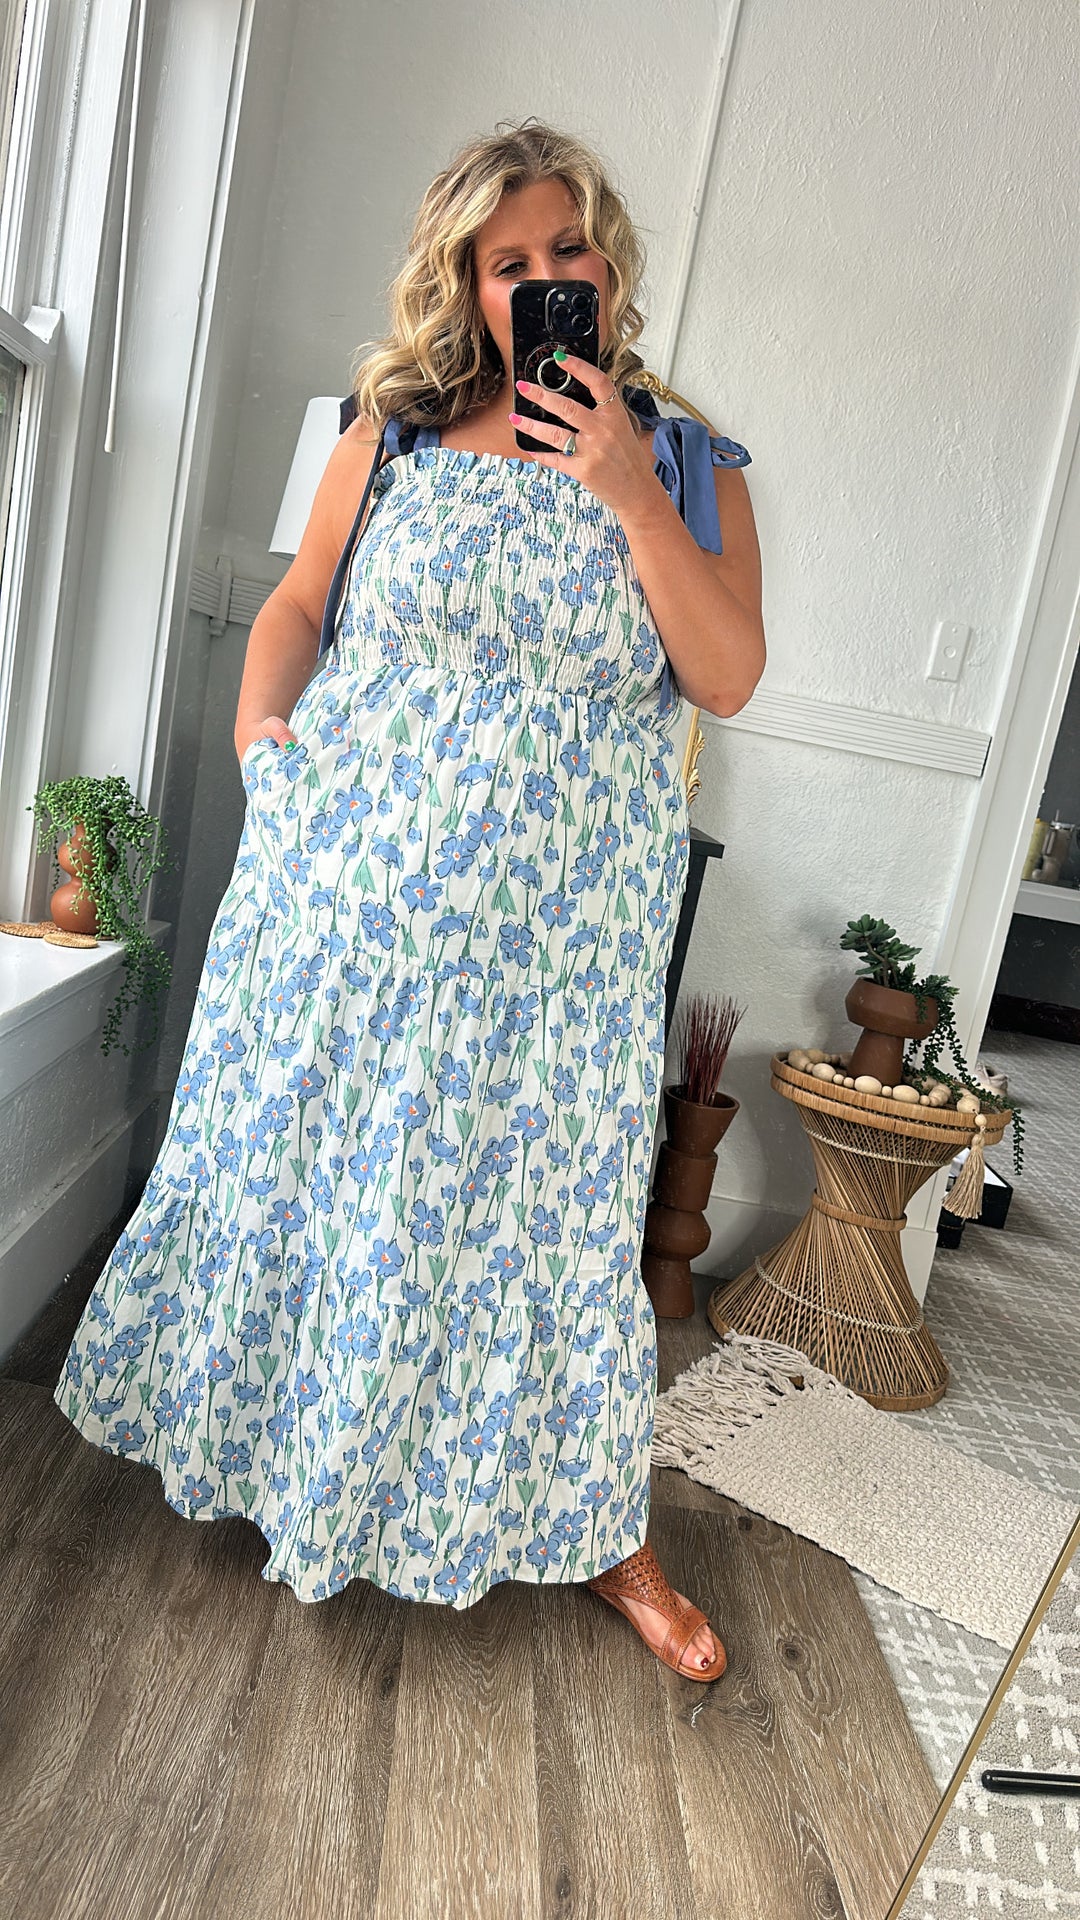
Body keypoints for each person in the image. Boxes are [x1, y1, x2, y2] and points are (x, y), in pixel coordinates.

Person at [53, 120, 764, 1682]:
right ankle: (287, 1453)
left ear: (608, 259)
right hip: (346, 905)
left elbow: (724, 675)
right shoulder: (389, 431)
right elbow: (299, 606)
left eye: (567, 248)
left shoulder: (687, 461)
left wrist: (627, 490)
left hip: (557, 949)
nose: (547, 278)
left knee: (548, 1227)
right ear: (466, 282)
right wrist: (264, 747)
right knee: (321, 1181)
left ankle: (605, 1531)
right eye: (508, 262)